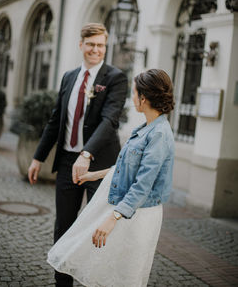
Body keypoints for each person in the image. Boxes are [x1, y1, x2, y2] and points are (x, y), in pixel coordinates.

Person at [47, 68, 175, 287]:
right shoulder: (145, 128)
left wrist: (112, 218)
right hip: (127, 210)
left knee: (124, 276)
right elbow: (124, 167)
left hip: (138, 215)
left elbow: (142, 185)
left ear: (143, 98)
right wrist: (91, 176)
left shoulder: (159, 135)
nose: (131, 98)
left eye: (134, 93)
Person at [28, 23, 128, 287]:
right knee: (64, 226)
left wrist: (87, 153)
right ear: (81, 45)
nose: (96, 50)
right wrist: (38, 158)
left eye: (101, 45)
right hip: (67, 161)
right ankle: (63, 282)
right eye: (91, 44)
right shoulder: (69, 77)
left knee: (96, 228)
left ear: (105, 46)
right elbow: (56, 120)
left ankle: (94, 280)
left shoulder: (115, 78)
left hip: (101, 163)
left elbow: (109, 120)